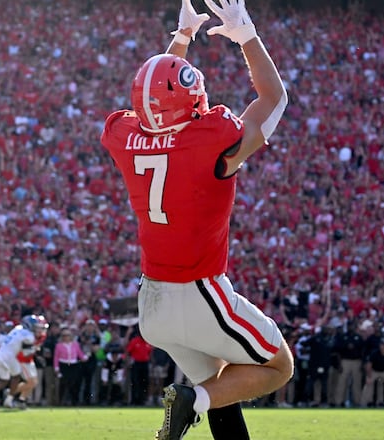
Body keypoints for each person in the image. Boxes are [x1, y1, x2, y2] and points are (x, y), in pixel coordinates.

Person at [100, 0, 292, 437]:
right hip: (199, 294)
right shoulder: (212, 141)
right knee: (277, 366)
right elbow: (273, 99)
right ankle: (190, 400)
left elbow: (156, 107)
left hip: (151, 302)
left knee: (225, 386)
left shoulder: (123, 136)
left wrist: (181, 38)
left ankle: (199, 399)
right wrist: (245, 33)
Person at [0, 315, 47, 410]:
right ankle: (10, 397)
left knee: (4, 380)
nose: (38, 329)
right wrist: (35, 350)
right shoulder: (29, 336)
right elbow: (26, 353)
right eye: (36, 327)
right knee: (17, 377)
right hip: (12, 357)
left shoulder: (17, 328)